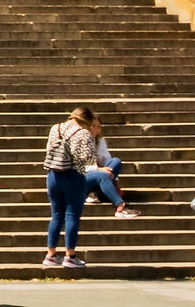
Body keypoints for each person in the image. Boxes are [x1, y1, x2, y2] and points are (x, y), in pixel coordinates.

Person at [42, 105, 97, 268]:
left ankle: (51, 254)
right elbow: (87, 158)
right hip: (73, 176)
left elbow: (48, 149)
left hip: (53, 175)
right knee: (72, 216)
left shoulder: (56, 128)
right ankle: (70, 256)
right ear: (87, 120)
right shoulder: (83, 133)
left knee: (56, 215)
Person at [83, 114, 141, 218]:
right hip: (82, 178)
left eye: (98, 126)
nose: (94, 129)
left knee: (115, 162)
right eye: (92, 125)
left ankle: (95, 191)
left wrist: (115, 179)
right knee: (103, 175)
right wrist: (99, 169)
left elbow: (107, 160)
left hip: (98, 175)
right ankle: (120, 206)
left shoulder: (100, 142)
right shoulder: (78, 142)